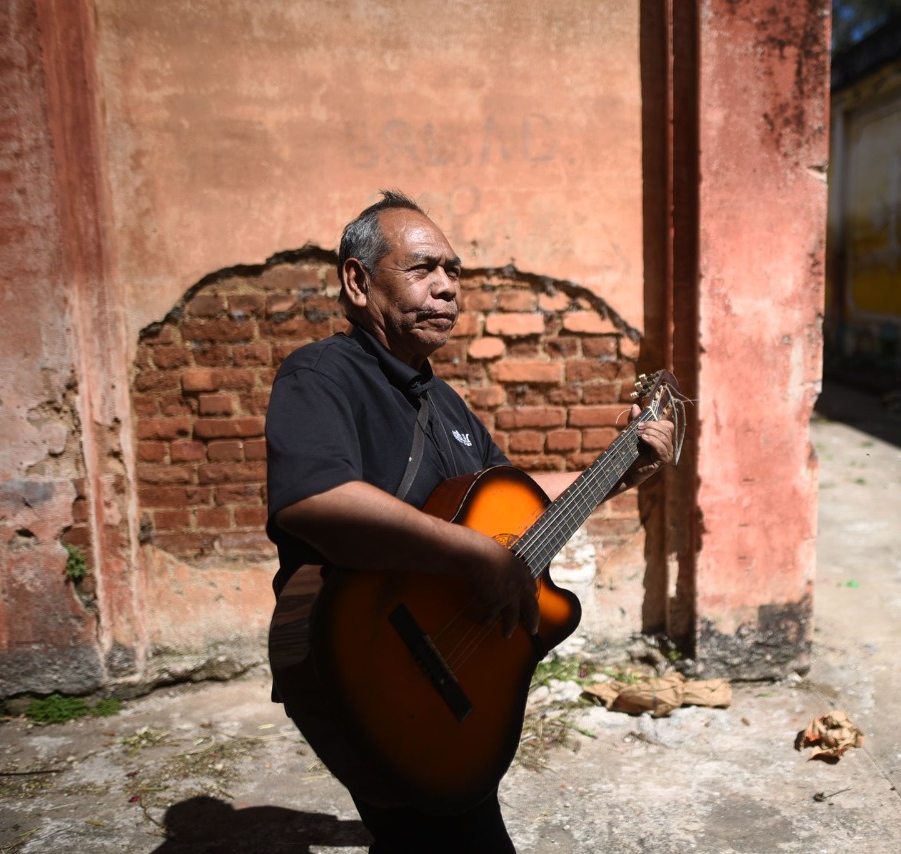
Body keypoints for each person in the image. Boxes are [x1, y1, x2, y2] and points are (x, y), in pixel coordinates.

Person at [264, 190, 675, 852]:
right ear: (358, 281)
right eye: (425, 269)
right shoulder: (322, 373)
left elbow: (517, 501)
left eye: (454, 273)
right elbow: (317, 500)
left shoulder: (445, 403)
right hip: (359, 650)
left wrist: (618, 470)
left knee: (419, 831)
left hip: (439, 671)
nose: (448, 289)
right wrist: (479, 557)